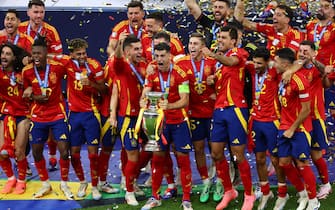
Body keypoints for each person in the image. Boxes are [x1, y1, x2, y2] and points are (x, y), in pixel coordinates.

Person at [203, 26, 254, 210]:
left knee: (238, 155)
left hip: (236, 110)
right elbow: (221, 84)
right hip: (219, 110)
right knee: (216, 153)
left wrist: (213, 55)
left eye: (223, 37)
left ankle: (249, 194)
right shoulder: (218, 64)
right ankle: (229, 190)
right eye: (218, 37)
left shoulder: (239, 53)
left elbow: (232, 62)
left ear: (233, 40)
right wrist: (212, 82)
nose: (220, 40)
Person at [140, 42, 193, 210]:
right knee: (157, 159)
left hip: (179, 121)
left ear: (170, 56)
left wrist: (169, 106)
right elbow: (146, 92)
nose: (159, 59)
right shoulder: (151, 72)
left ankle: (186, 199)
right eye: (156, 56)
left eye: (163, 56)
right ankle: (155, 196)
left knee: (183, 160)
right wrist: (144, 99)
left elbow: (185, 99)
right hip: (160, 123)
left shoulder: (180, 73)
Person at [53, 38, 107, 200]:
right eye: (78, 54)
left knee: (92, 154)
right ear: (72, 54)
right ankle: (83, 182)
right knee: (74, 153)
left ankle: (95, 186)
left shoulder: (95, 65)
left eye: (84, 53)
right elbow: (48, 57)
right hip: (74, 115)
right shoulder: (66, 63)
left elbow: (104, 89)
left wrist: (90, 83)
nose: (82, 56)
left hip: (91, 114)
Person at [22, 36, 73, 199]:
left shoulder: (58, 67)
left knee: (64, 152)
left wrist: (51, 56)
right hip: (38, 115)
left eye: (39, 53)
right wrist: (34, 97)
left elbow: (69, 60)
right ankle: (45, 184)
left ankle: (64, 183)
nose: (36, 56)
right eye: (33, 53)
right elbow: (26, 90)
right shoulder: (27, 71)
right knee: (36, 152)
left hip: (57, 112)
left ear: (46, 53)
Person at [18, 0, 63, 171]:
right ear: (28, 12)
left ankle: (52, 156)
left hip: (47, 79)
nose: (38, 16)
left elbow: (58, 56)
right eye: (35, 12)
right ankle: (22, 158)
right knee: (24, 120)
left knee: (51, 119)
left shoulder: (51, 31)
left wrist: (36, 59)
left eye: (41, 12)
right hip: (25, 80)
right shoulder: (20, 30)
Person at [274, 48, 320, 210]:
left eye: (277, 62)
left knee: (301, 163)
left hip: (300, 128)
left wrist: (292, 128)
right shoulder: (282, 78)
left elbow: (306, 109)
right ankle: (303, 194)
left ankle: (314, 201)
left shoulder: (299, 81)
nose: (274, 64)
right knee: (284, 163)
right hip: (285, 126)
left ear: (285, 64)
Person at [175, 32, 216, 203]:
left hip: (213, 112)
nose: (192, 46)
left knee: (216, 151)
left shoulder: (213, 62)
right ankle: (206, 181)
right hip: (193, 113)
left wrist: (215, 86)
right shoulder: (181, 63)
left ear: (203, 46)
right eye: (190, 43)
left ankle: (220, 181)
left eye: (195, 44)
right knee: (198, 148)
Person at [110, 34, 147, 206]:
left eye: (141, 48)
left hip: (146, 116)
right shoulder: (121, 66)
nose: (141, 51)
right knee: (132, 154)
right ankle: (129, 191)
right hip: (128, 117)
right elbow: (117, 57)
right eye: (136, 49)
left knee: (150, 150)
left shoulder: (146, 66)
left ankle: (129, 178)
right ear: (127, 51)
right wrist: (119, 44)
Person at [296, 41, 332, 199]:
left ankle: (325, 184)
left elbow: (327, 82)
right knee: (299, 155)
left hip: (315, 117)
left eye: (305, 51)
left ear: (313, 53)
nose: (302, 53)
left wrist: (312, 60)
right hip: (299, 118)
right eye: (300, 50)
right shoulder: (295, 69)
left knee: (316, 155)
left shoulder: (318, 69)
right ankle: (305, 186)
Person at [0, 43, 30, 194]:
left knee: (19, 151)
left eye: (8, 54)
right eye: (2, 53)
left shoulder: (24, 73)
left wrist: (28, 86)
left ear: (14, 58)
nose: (4, 56)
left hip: (23, 115)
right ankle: (11, 178)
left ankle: (21, 180)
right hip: (5, 115)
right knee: (1, 151)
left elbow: (36, 82)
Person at [236, 1, 304, 58]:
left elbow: (289, 55)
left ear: (287, 20)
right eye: (274, 14)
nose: (274, 17)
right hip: (269, 68)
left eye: (278, 15)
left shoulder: (296, 35)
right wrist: (240, 2)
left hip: (285, 68)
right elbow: (243, 22)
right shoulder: (270, 28)